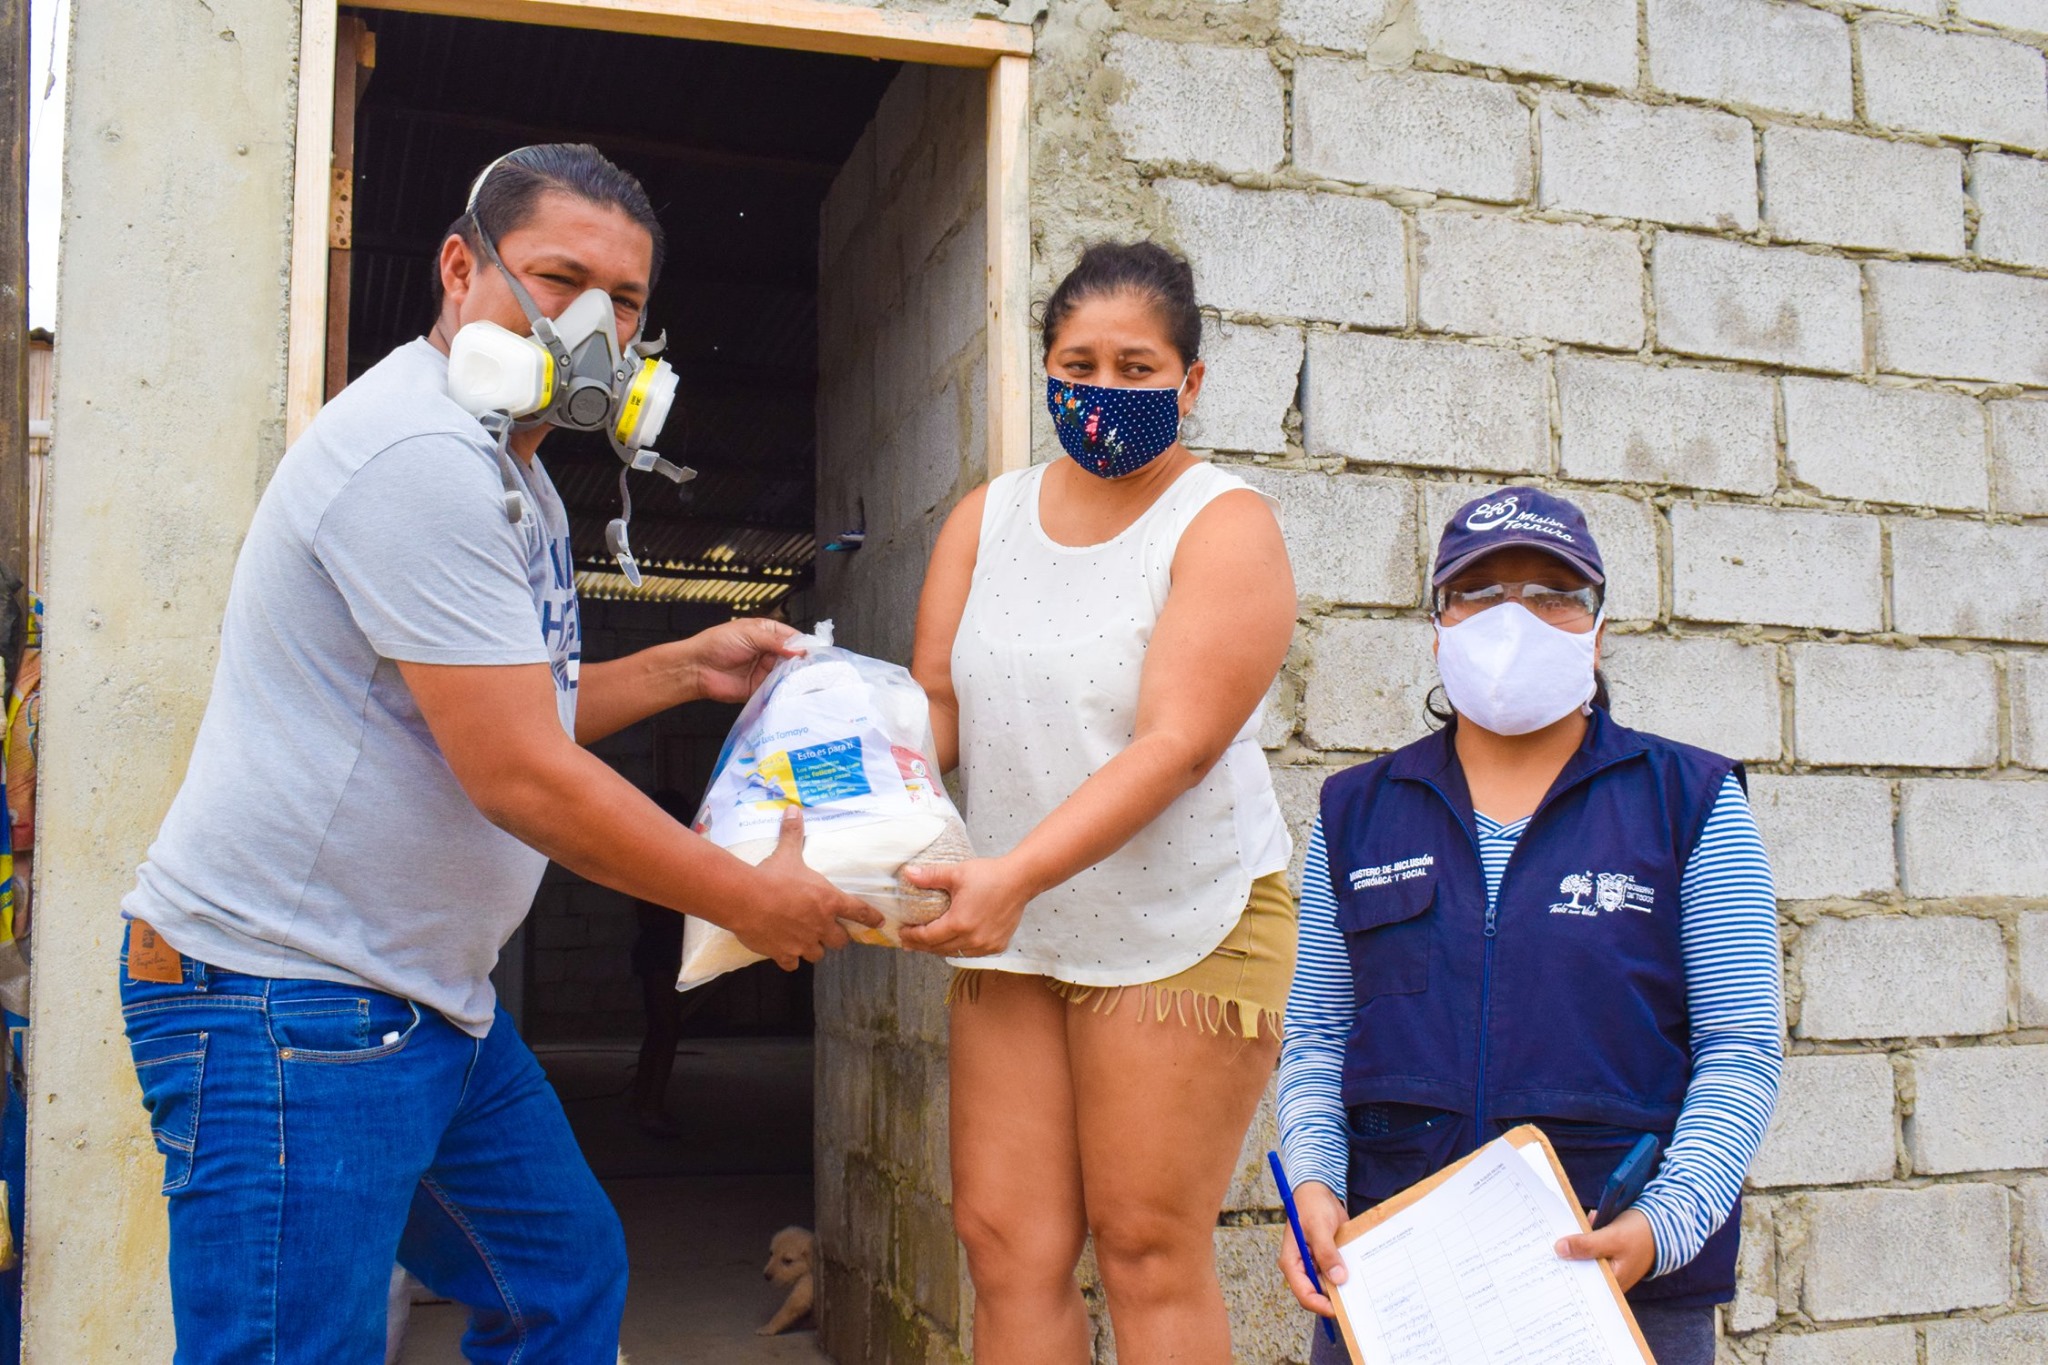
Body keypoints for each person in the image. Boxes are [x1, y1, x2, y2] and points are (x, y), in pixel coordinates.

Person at [116, 143, 879, 1364]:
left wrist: (683, 667)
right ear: (460, 270)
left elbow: (509, 711)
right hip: (287, 992)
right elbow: (517, 774)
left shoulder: (517, 475)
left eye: (622, 300)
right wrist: (746, 900)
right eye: (558, 278)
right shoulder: (416, 459)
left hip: (417, 995)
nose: (591, 325)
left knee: (557, 1281)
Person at [1274, 487, 1783, 1365]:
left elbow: (1741, 1046)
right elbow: (1318, 1034)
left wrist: (1664, 1222)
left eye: (1554, 594)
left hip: (1613, 1285)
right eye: (1479, 592)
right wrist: (1314, 1184)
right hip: (1399, 1284)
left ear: (1598, 628)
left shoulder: (1689, 803)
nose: (1514, 618)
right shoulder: (1355, 813)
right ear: (1438, 625)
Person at [901, 241, 1298, 1362]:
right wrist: (827, 789)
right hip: (1016, 924)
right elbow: (935, 707)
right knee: (1003, 1244)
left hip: (1178, 918)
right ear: (1046, 369)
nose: (1104, 390)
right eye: (1079, 366)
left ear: (1190, 380)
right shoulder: (987, 519)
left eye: (1137, 368)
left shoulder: (1221, 524)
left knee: (1144, 1249)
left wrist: (1013, 874)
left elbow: (1176, 745)